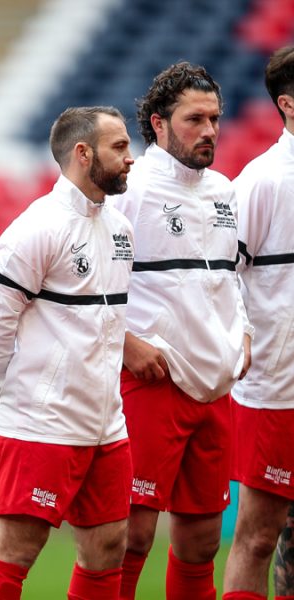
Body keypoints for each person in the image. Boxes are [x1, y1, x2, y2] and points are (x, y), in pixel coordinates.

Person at [0, 106, 135, 600]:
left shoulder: (120, 229)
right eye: (120, 148)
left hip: (107, 421)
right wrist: (3, 387)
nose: (131, 159)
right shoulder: (38, 227)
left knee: (109, 547)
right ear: (83, 154)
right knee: (18, 548)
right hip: (45, 420)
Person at [111, 62, 252, 600]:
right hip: (153, 384)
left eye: (215, 118)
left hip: (215, 386)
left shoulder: (223, 191)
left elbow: (228, 279)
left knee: (200, 543)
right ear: (159, 124)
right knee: (131, 536)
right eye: (196, 119)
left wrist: (241, 335)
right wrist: (127, 345)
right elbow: (94, 282)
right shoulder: (131, 189)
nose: (210, 131)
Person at [222, 46, 294, 600]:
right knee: (257, 536)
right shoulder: (262, 181)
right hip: (278, 390)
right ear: (288, 105)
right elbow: (224, 279)